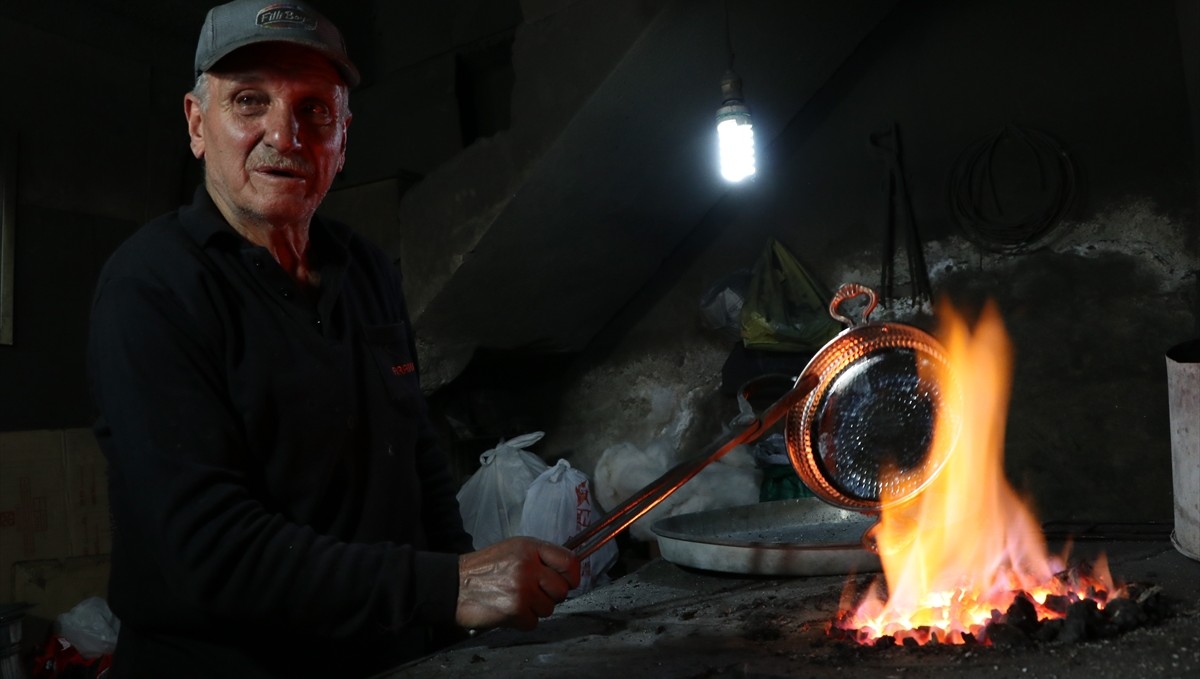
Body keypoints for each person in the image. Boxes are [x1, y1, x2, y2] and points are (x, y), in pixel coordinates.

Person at [86, 1, 579, 676]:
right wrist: (449, 586)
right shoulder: (152, 287)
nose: (284, 135)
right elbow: (207, 549)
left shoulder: (367, 268)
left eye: (314, 109)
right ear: (198, 126)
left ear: (343, 139)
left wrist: (457, 613)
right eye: (249, 101)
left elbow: (419, 459)